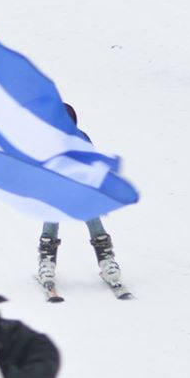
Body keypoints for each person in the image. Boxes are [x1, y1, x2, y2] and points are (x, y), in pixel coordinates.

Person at [35, 104, 126, 295]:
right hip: (56, 188)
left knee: (91, 214)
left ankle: (106, 259)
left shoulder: (81, 138)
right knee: (53, 213)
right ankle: (47, 261)